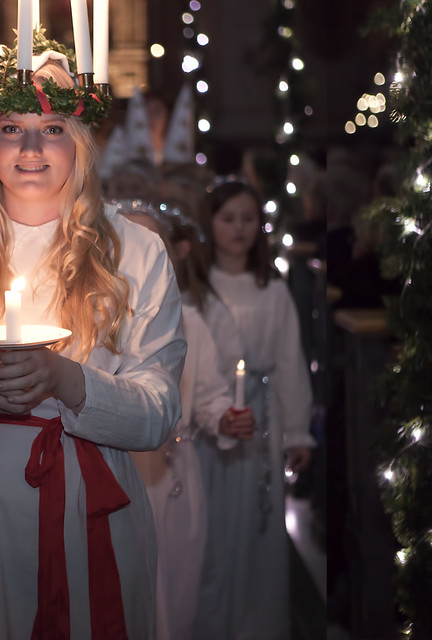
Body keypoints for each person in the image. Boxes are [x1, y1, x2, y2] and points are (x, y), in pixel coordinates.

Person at [0, 36, 186, 639]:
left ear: (81, 142)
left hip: (91, 506)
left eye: (53, 129)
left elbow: (159, 412)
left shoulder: (136, 252)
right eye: (12, 129)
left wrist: (70, 382)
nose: (31, 149)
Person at [119, 200, 255, 640]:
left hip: (174, 472)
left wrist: (224, 419)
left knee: (176, 590)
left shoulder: (190, 323)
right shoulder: (98, 325)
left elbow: (209, 394)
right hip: (119, 473)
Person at [192, 178, 315, 640]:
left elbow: (289, 361)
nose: (239, 228)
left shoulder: (272, 289)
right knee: (211, 524)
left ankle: (253, 624)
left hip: (260, 419)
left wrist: (297, 432)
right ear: (210, 223)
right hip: (208, 423)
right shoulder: (197, 288)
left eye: (248, 219)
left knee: (254, 525)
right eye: (228, 218)